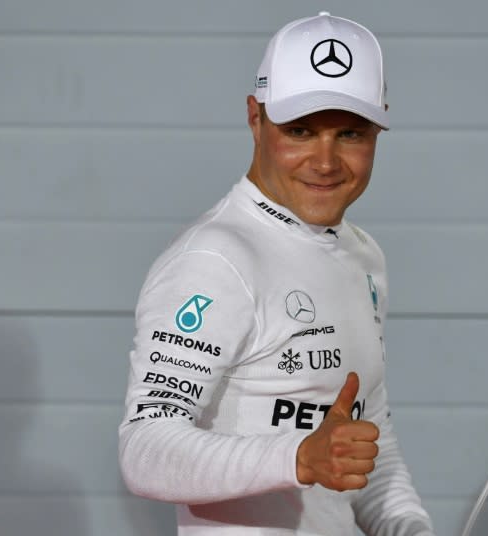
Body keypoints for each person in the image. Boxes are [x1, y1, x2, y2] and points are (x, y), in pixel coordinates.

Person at [118, 11, 435, 535]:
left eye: (350, 133)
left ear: (379, 127)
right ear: (255, 118)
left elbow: (367, 435)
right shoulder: (215, 260)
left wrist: (407, 525)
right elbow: (144, 448)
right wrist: (301, 458)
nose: (326, 161)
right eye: (301, 130)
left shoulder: (364, 256)